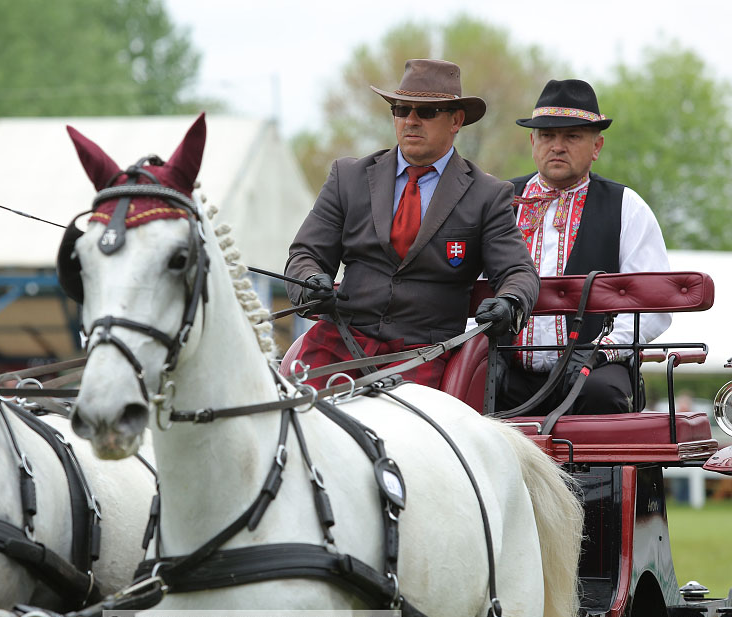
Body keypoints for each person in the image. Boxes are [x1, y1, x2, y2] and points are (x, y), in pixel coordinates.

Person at [285, 59, 539, 389]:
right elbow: (306, 254)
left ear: (456, 120)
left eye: (427, 112)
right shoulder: (347, 178)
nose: (411, 121)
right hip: (339, 342)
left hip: (424, 354)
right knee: (287, 415)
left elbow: (519, 272)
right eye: (401, 109)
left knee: (401, 435)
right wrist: (310, 281)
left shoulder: (487, 195)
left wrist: (509, 303)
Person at [499, 78, 671, 414]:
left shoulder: (627, 206)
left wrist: (603, 349)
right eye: (547, 136)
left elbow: (652, 305)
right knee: (458, 399)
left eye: (572, 136)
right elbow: (471, 288)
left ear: (597, 147)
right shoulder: (500, 201)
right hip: (504, 365)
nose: (557, 146)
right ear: (533, 142)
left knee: (603, 394)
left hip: (593, 370)